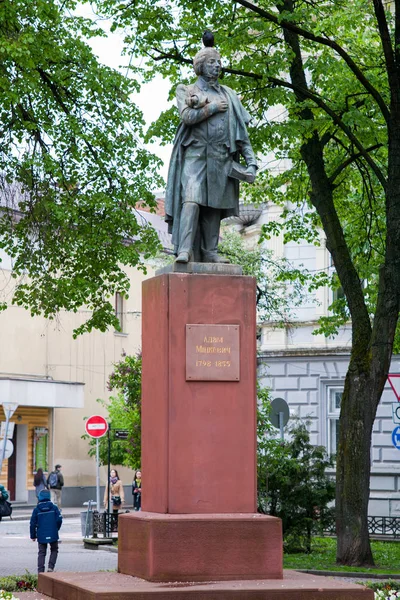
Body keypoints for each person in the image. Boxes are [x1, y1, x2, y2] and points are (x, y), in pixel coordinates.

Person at [165, 30, 257, 264]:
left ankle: (210, 252)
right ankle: (184, 250)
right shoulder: (187, 90)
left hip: (220, 156)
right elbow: (187, 117)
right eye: (212, 62)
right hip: (195, 155)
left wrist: (252, 161)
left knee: (214, 206)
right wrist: (212, 108)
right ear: (200, 66)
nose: (217, 66)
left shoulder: (230, 95)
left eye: (219, 62)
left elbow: (241, 132)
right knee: (192, 199)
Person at [30, 489, 62, 573]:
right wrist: (56, 529)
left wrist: (33, 536)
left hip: (41, 534)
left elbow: (32, 523)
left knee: (41, 552)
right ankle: (50, 567)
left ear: (39, 498)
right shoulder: (54, 508)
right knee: (54, 549)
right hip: (53, 533)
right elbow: (59, 520)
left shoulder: (36, 509)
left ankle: (40, 571)